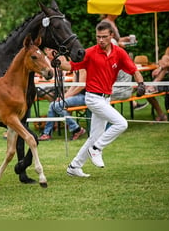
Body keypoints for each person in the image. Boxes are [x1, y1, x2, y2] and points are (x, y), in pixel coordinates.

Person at [58, 21, 145, 177]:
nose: (101, 40)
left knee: (95, 137)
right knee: (121, 123)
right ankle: (96, 149)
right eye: (98, 37)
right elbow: (71, 66)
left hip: (106, 98)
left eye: (104, 37)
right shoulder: (90, 53)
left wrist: (141, 84)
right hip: (92, 98)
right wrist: (58, 63)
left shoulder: (119, 53)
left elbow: (133, 69)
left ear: (111, 36)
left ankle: (74, 166)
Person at [101, 14, 148, 110]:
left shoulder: (112, 53)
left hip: (119, 90)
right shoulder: (116, 51)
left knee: (93, 96)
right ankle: (133, 104)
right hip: (125, 89)